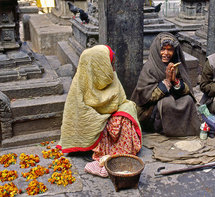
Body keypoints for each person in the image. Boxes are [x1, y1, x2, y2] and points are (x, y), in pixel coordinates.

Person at [56, 45, 142, 177]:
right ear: (99, 65)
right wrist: (102, 119)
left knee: (128, 110)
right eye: (110, 64)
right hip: (95, 122)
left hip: (111, 118)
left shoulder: (112, 76)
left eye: (112, 64)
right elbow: (80, 114)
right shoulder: (81, 82)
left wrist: (117, 116)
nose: (113, 68)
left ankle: (116, 155)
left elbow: (122, 100)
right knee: (111, 122)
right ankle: (104, 158)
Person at [131, 32, 200, 137]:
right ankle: (169, 130)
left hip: (173, 98)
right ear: (157, 50)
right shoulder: (149, 68)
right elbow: (146, 97)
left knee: (188, 100)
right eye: (163, 49)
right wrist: (167, 82)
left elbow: (187, 89)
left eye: (170, 50)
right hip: (150, 110)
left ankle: (182, 129)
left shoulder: (177, 65)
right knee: (167, 102)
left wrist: (175, 81)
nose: (166, 53)